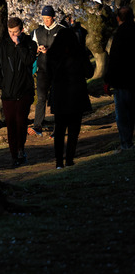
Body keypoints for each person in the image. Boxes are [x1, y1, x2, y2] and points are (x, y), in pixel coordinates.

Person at [0, 17, 38, 167]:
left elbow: (29, 62)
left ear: (21, 30)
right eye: (10, 32)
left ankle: (21, 149)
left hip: (24, 91)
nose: (13, 35)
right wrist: (3, 84)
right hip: (8, 93)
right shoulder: (2, 47)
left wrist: (20, 46)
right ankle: (14, 155)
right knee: (11, 124)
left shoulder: (30, 44)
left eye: (15, 32)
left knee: (21, 122)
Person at [47, 28, 93, 169]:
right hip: (76, 94)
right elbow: (89, 72)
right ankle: (70, 159)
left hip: (60, 95)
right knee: (74, 130)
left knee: (59, 130)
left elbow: (49, 75)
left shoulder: (52, 54)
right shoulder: (79, 53)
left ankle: (59, 162)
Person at [30, 5, 65, 136]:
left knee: (57, 99)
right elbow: (32, 50)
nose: (46, 21)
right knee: (41, 98)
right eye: (44, 18)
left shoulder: (62, 30)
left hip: (57, 70)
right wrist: (37, 50)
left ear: (53, 17)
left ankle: (58, 128)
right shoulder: (37, 32)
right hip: (43, 69)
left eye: (48, 18)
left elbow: (65, 50)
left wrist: (50, 51)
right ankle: (37, 126)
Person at [104, 5, 135, 151]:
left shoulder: (119, 34)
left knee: (123, 115)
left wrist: (108, 80)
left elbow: (114, 59)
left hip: (122, 81)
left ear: (118, 19)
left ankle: (126, 143)